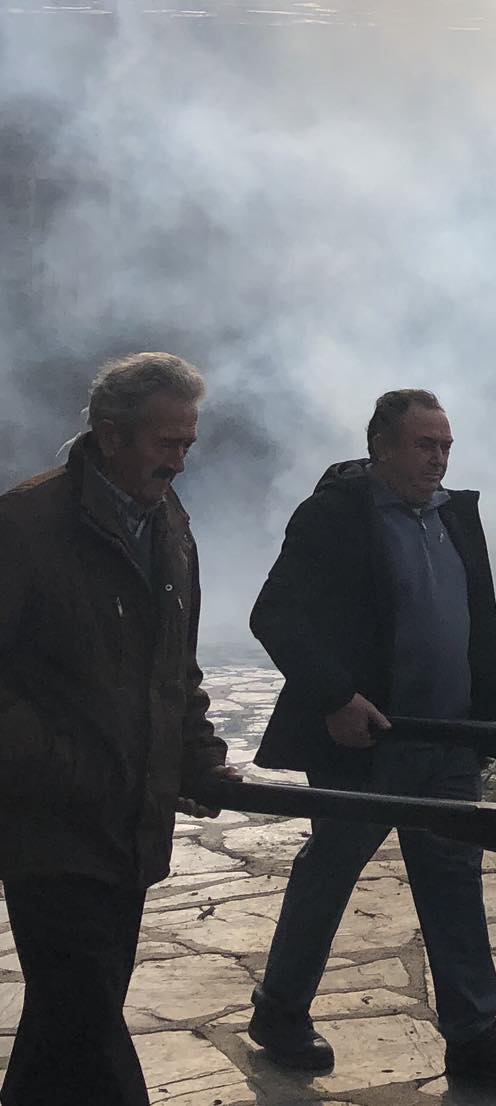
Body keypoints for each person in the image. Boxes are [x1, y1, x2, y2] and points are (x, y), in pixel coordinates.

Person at [245, 389, 496, 1083]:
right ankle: (280, 1010)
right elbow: (276, 614)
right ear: (381, 446)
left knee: (453, 880)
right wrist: (335, 696)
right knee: (331, 870)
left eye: (445, 445)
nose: (438, 458)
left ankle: (473, 1035)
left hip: (447, 739)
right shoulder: (336, 516)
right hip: (369, 739)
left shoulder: (455, 515)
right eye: (423, 444)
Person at [0, 352, 233, 1106]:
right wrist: (66, 765)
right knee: (88, 1016)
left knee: (68, 1023)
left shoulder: (168, 524)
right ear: (108, 436)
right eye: (167, 444)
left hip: (129, 826)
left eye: (188, 445)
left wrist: (195, 754)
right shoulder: (25, 526)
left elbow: (176, 661)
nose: (180, 463)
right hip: (49, 827)